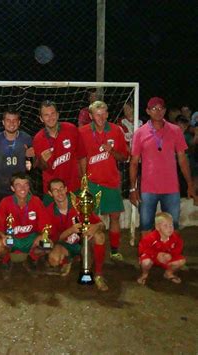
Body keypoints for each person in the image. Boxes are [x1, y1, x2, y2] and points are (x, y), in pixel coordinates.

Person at [129, 97, 195, 235]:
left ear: (165, 110)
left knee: (173, 225)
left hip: (171, 187)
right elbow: (134, 163)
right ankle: (146, 255)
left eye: (161, 108)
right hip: (148, 188)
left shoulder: (175, 130)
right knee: (146, 225)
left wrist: (190, 184)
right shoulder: (140, 133)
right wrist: (132, 189)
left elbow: (182, 159)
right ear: (148, 111)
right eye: (154, 108)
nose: (158, 111)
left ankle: (172, 255)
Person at [78, 101, 129, 261]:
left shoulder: (116, 130)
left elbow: (125, 156)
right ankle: (88, 250)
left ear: (107, 114)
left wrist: (112, 151)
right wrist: (83, 181)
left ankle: (114, 250)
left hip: (110, 181)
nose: (100, 117)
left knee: (115, 216)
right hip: (91, 183)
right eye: (96, 114)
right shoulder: (82, 132)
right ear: (91, 116)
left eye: (103, 113)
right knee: (89, 219)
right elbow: (80, 158)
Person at [45, 178, 108, 291]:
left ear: (66, 189)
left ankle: (98, 274)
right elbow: (55, 238)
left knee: (100, 236)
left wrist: (95, 227)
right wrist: (71, 230)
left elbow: (102, 224)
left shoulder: (80, 204)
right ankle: (70, 259)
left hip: (84, 242)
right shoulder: (49, 211)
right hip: (65, 244)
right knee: (53, 260)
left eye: (61, 189)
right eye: (55, 190)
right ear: (50, 193)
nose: (59, 193)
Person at [0, 172, 46, 280]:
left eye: (25, 184)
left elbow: (45, 226)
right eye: (18, 185)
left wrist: (43, 235)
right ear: (12, 188)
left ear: (29, 186)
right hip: (13, 239)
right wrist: (3, 236)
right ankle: (6, 261)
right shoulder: (5, 202)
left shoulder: (36, 201)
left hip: (30, 239)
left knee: (48, 243)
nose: (23, 188)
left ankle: (32, 259)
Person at [33, 100, 86, 205]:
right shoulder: (38, 139)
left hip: (73, 187)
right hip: (51, 192)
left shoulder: (71, 129)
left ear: (57, 115)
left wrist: (84, 180)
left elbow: (82, 156)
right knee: (50, 221)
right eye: (46, 115)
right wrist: (43, 160)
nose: (50, 117)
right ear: (41, 118)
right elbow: (42, 167)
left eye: (53, 114)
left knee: (76, 221)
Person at [0, 109, 35, 208]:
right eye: (8, 120)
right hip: (0, 187)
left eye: (14, 120)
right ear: (3, 122)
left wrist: (31, 157)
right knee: (1, 219)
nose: (11, 123)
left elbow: (33, 166)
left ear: (19, 123)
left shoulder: (26, 139)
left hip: (20, 187)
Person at [137, 212, 186, 285]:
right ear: (157, 227)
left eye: (171, 225)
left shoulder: (176, 238)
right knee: (145, 262)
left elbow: (179, 248)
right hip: (153, 258)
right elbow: (142, 249)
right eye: (165, 226)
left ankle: (168, 273)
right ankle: (144, 274)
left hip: (167, 258)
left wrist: (170, 255)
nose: (169, 228)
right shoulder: (150, 238)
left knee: (182, 261)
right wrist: (156, 254)